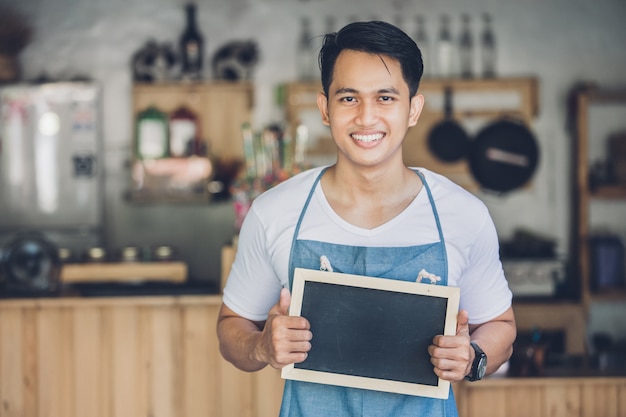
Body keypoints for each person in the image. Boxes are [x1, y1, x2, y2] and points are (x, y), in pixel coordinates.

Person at [217, 20, 516, 417]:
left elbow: (502, 328)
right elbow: (231, 327)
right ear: (325, 108)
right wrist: (261, 346)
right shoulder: (275, 212)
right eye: (348, 98)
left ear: (413, 109)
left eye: (386, 98)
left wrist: (473, 357)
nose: (366, 117)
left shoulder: (463, 215)